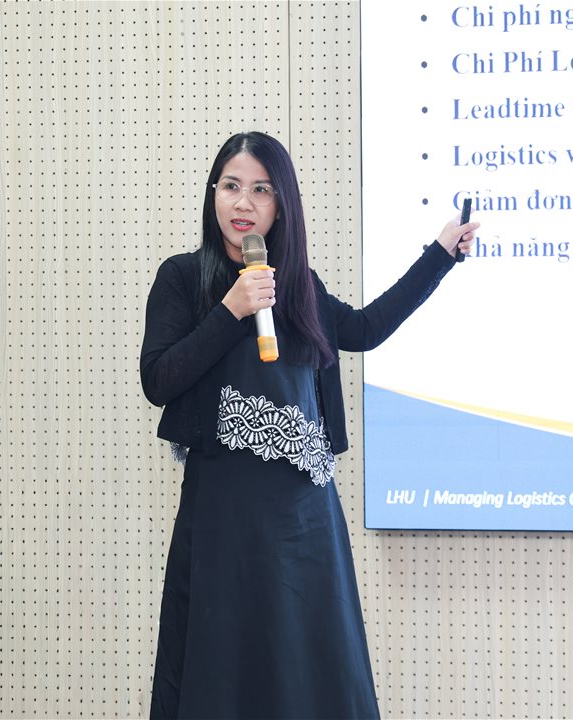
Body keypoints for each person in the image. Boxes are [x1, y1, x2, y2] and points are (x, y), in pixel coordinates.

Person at [141, 131, 478, 719]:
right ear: (212, 193)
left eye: (261, 190)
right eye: (231, 186)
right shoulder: (183, 277)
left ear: (281, 204)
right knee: (225, 664)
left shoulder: (299, 284)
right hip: (224, 514)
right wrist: (232, 310)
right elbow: (159, 379)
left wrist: (441, 254)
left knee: (308, 669)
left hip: (305, 518)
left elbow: (364, 330)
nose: (243, 203)